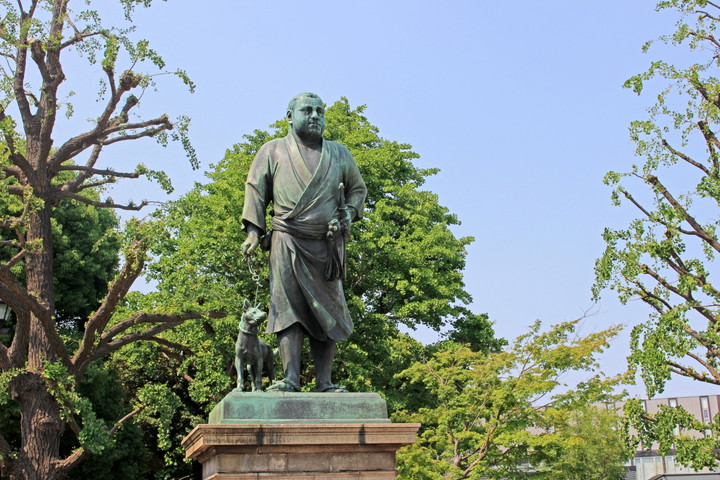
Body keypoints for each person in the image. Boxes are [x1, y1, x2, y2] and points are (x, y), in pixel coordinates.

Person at [240, 92, 367, 392]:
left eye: (320, 111)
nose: (315, 116)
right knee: (288, 309)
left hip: (327, 243)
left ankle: (325, 381)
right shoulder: (272, 151)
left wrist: (348, 213)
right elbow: (256, 192)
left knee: (330, 311)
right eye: (307, 110)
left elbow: (357, 191)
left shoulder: (339, 154)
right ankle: (290, 378)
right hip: (286, 239)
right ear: (289, 116)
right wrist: (253, 233)